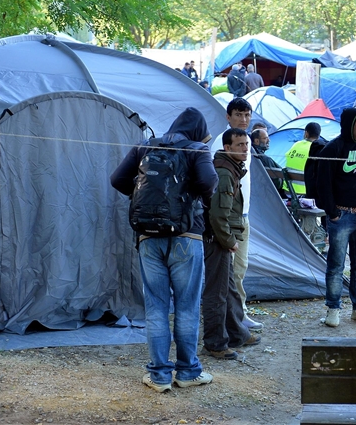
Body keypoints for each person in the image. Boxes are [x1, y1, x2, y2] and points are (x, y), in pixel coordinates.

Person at [110, 107, 216, 392]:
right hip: (186, 234)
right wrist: (196, 201)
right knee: (187, 305)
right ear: (197, 131)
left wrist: (147, 199)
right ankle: (188, 371)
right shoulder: (197, 148)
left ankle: (158, 376)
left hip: (148, 236)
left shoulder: (146, 145)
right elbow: (208, 182)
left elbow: (117, 179)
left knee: (156, 306)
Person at [315, 108, 356, 327]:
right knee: (335, 266)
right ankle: (333, 309)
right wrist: (332, 213)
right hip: (341, 216)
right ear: (350, 124)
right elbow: (323, 184)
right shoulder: (332, 149)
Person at [202, 128, 261, 359]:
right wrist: (229, 240)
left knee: (230, 289)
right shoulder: (225, 172)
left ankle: (237, 333)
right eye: (240, 145)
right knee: (217, 293)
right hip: (218, 240)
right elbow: (217, 215)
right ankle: (215, 344)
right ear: (227, 148)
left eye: (246, 144)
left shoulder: (233, 168)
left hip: (223, 239)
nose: (245, 149)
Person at [209, 98, 263, 330]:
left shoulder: (246, 142)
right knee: (226, 272)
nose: (243, 120)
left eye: (247, 115)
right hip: (228, 218)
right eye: (238, 115)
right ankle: (227, 320)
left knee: (240, 268)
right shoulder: (223, 144)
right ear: (228, 117)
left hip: (244, 215)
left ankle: (239, 314)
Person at [283, 122, 322, 195]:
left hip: (288, 188)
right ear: (318, 135)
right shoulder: (317, 148)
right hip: (305, 191)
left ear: (306, 133)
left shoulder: (296, 144)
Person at [251, 128, 286, 198]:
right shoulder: (265, 159)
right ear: (257, 141)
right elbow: (277, 184)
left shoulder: (250, 154)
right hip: (269, 194)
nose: (269, 140)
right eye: (265, 138)